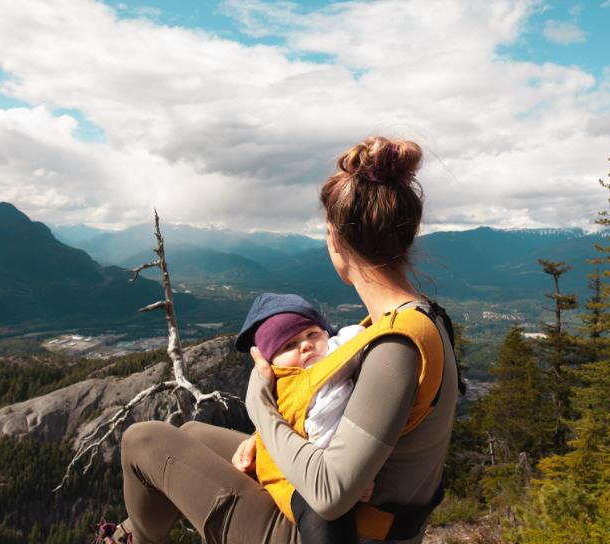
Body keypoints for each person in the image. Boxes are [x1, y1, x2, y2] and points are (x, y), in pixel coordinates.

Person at [105, 136, 459, 544]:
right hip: (349, 519)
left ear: (337, 241)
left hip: (332, 532)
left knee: (143, 439)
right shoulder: (412, 320)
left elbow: (329, 493)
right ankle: (128, 532)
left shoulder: (397, 347)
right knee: (194, 434)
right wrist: (265, 436)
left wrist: (261, 405)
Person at [232, 293, 370, 544]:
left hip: (337, 471)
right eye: (288, 345)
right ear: (272, 363)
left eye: (312, 334)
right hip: (295, 482)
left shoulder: (344, 354)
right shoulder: (283, 386)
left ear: (328, 333)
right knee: (322, 516)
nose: (305, 345)